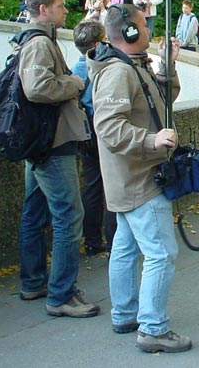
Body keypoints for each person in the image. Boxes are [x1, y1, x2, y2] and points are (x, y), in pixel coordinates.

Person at [87, 4, 191, 353]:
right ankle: (153, 328)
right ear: (129, 32)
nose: (148, 30)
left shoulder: (134, 65)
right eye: (144, 26)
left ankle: (125, 314)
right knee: (161, 253)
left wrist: (168, 64)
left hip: (131, 177)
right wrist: (152, 140)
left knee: (125, 247)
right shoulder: (118, 72)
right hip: (139, 178)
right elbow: (108, 127)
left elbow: (161, 102)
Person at [15, 0, 98, 318]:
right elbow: (37, 88)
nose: (66, 10)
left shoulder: (31, 40)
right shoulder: (38, 43)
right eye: (61, 6)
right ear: (44, 9)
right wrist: (76, 84)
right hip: (53, 142)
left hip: (39, 141)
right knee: (67, 216)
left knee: (34, 212)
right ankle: (61, 294)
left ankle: (34, 281)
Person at [71, 20, 117, 256]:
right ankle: (112, 238)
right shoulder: (103, 68)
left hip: (84, 131)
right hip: (101, 128)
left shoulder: (74, 70)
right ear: (98, 43)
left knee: (91, 185)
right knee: (111, 183)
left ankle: (91, 239)